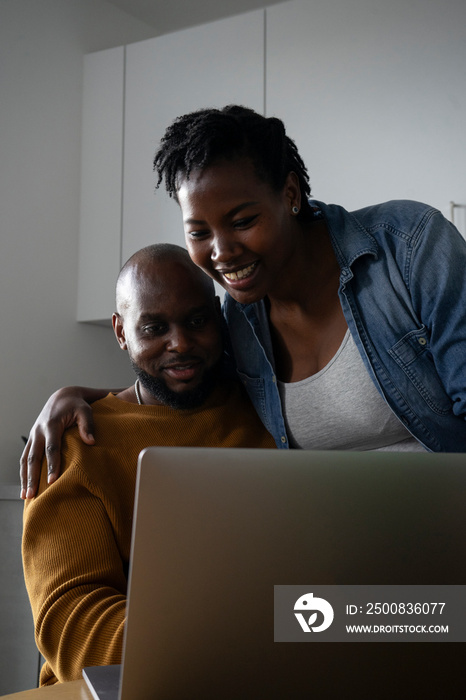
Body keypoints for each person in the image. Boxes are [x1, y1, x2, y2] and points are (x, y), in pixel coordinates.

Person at [21, 105, 466, 497]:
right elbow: (185, 381)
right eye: (199, 232)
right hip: (329, 562)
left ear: (290, 194)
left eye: (243, 221)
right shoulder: (239, 322)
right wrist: (74, 394)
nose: (222, 252)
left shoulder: (408, 247)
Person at [22, 243, 275, 685]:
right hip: (137, 682)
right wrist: (223, 646)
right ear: (121, 332)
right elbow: (72, 621)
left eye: (197, 321)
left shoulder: (269, 413)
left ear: (217, 317)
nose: (180, 343)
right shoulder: (73, 444)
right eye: (155, 327)